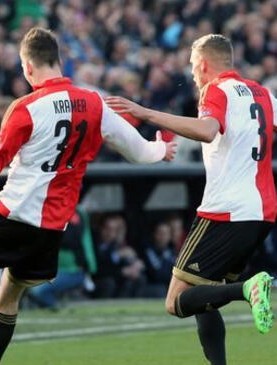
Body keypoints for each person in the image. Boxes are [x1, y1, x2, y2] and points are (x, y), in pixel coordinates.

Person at [0, 27, 176, 365]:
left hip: (14, 212)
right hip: (52, 227)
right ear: (58, 60)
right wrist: (163, 148)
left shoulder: (26, 107)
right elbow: (140, 153)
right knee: (8, 298)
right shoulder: (95, 103)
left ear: (27, 66)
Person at [105, 33, 275, 365]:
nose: (192, 76)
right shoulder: (263, 93)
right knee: (203, 294)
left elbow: (207, 130)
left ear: (202, 63)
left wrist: (145, 113)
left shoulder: (217, 90)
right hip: (263, 212)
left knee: (176, 300)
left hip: (226, 210)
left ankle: (247, 289)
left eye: (192, 67)